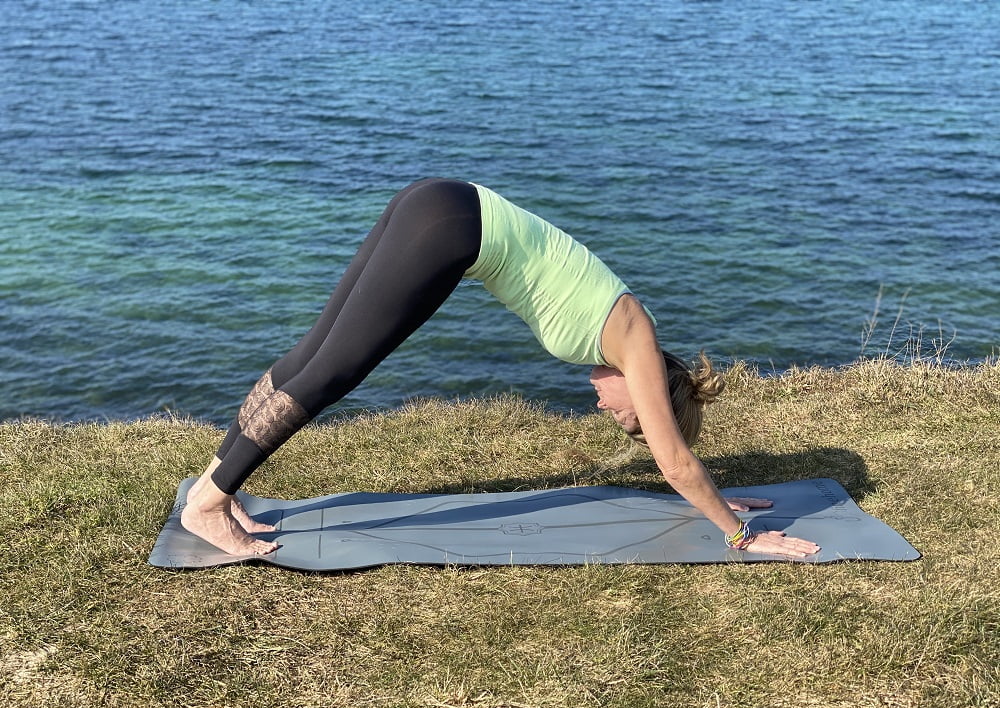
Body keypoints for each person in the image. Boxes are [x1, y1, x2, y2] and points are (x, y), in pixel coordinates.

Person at [181, 178, 820, 559]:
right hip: (452, 229)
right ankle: (208, 503)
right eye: (627, 415)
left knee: (312, 359)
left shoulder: (631, 334)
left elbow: (678, 462)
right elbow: (674, 461)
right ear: (653, 391)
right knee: (332, 372)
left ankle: (219, 487)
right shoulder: (639, 345)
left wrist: (713, 500)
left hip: (440, 202)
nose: (604, 407)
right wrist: (741, 536)